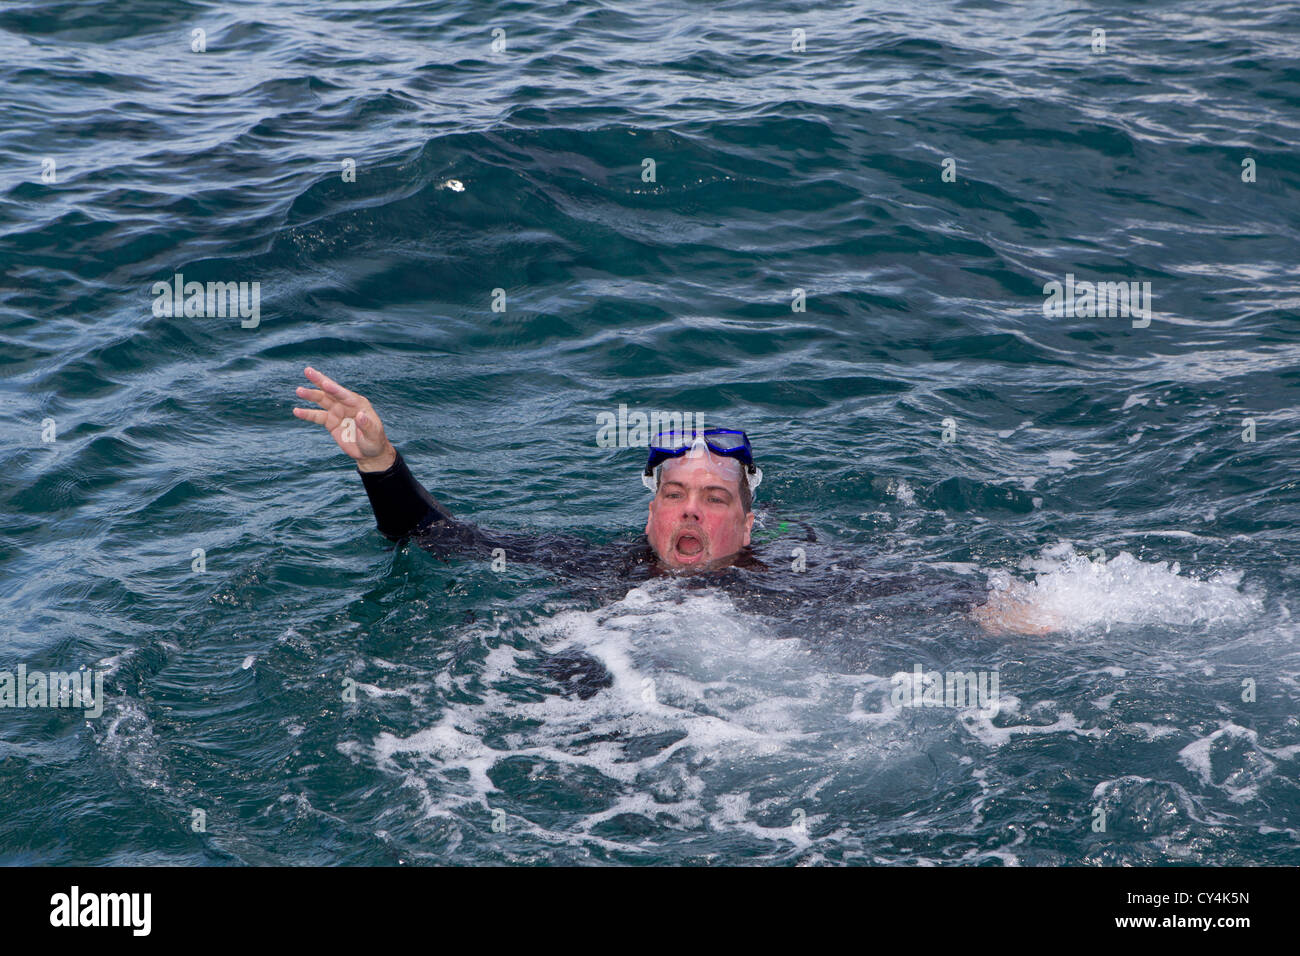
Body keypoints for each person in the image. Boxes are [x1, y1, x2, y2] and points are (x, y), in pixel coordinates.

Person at [290, 366, 1054, 634]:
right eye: (675, 494)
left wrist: (995, 603)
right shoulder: (598, 567)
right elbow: (431, 535)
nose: (690, 510)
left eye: (714, 498)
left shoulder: (796, 576)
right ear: (650, 513)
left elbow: (930, 590)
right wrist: (380, 462)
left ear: (747, 522)